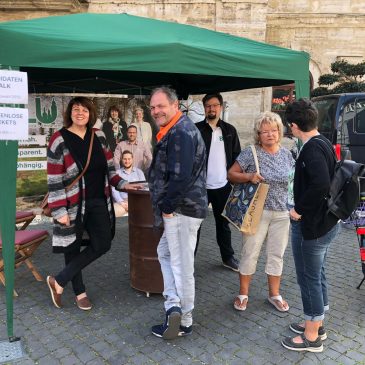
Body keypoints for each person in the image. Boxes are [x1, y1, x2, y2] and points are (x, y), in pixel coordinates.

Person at [46, 97, 138, 311]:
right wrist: (59, 210)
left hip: (98, 201)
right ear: (69, 113)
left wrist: (124, 185)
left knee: (103, 243)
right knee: (73, 247)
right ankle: (80, 293)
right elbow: (53, 178)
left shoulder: (99, 136)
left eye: (85, 110)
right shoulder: (58, 140)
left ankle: (59, 280)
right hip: (72, 204)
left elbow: (110, 168)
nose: (80, 113)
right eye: (76, 109)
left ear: (91, 114)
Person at [148, 86, 208, 340]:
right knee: (164, 252)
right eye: (152, 107)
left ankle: (184, 320)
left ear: (174, 106)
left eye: (160, 106)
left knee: (182, 264)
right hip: (179, 209)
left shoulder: (181, 131)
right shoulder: (174, 130)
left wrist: (168, 206)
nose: (156, 111)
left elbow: (181, 175)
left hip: (181, 210)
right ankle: (173, 304)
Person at [281, 99, 339, 353]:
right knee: (317, 275)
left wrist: (297, 210)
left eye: (289, 126)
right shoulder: (322, 141)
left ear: (294, 125)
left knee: (308, 279)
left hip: (311, 226)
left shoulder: (312, 149)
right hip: (323, 224)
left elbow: (321, 185)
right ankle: (317, 323)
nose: (289, 130)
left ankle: (312, 336)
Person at [228, 112, 294, 312]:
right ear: (258, 134)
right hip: (257, 211)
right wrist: (249, 176)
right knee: (250, 253)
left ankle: (274, 295)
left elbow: (293, 182)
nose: (270, 135)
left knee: (276, 255)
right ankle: (243, 294)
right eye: (265, 131)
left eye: (274, 130)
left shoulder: (287, 154)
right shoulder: (251, 153)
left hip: (282, 212)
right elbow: (231, 174)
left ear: (279, 132)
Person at [195, 93, 241, 271]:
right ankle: (189, 260)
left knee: (223, 224)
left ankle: (227, 257)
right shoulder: (196, 129)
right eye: (208, 106)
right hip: (200, 188)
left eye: (215, 105)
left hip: (222, 186)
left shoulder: (229, 130)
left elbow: (237, 157)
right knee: (194, 225)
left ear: (220, 107)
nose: (211, 109)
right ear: (204, 108)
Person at [112, 150, 145, 217]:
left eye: (129, 159)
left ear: (132, 159)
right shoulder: (117, 173)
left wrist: (135, 202)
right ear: (121, 160)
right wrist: (121, 202)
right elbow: (114, 190)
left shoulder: (139, 172)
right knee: (112, 213)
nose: (127, 161)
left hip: (137, 201)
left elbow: (144, 189)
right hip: (122, 202)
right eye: (125, 159)